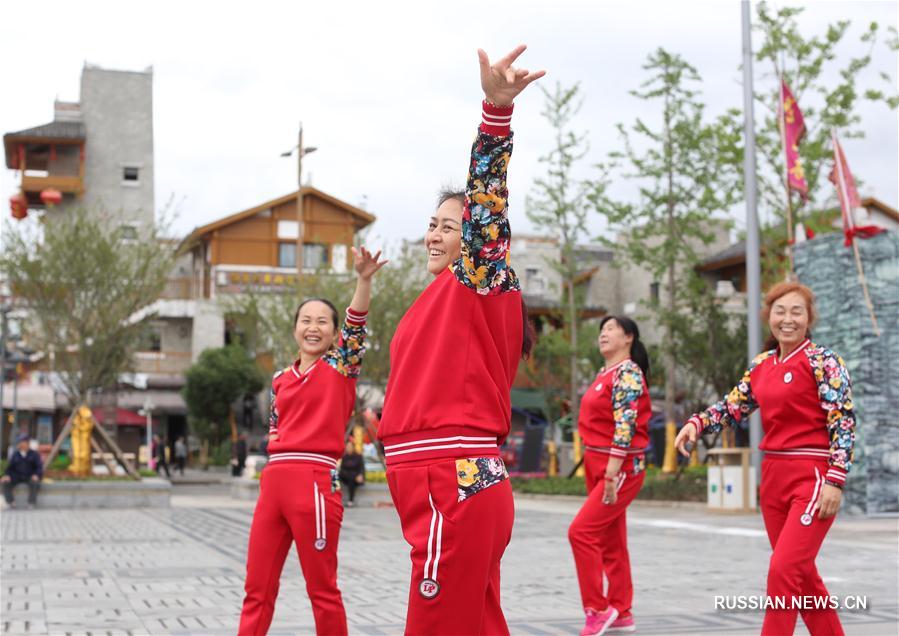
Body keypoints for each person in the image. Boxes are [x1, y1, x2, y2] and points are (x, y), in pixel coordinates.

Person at [377, 45, 543, 636]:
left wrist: (495, 115)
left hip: (456, 482)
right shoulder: (430, 302)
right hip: (440, 486)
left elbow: (487, 203)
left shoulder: (479, 277)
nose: (435, 235)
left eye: (450, 226)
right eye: (432, 224)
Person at [676, 281, 855, 636]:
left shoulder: (825, 362)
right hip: (773, 480)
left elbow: (843, 422)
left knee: (783, 571)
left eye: (796, 311)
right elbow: (731, 407)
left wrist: (835, 480)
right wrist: (696, 422)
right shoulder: (761, 365)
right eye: (779, 311)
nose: (787, 319)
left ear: (809, 318)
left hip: (813, 479)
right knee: (802, 578)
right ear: (768, 316)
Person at [238, 246, 386, 636]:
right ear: (295, 328)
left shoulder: (340, 367)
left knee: (321, 590)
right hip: (273, 485)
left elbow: (356, 323)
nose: (313, 327)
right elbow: (275, 428)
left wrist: (363, 279)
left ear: (334, 334)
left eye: (323, 321)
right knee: (257, 588)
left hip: (315, 484)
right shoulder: (280, 379)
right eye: (306, 320)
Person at [568, 316, 651, 635]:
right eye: (601, 330)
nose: (603, 334)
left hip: (619, 466)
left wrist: (613, 472)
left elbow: (626, 425)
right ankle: (623, 611)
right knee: (610, 539)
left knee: (581, 533)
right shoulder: (607, 373)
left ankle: (598, 609)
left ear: (628, 337)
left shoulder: (628, 371)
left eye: (611, 329)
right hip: (598, 462)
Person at [2, 434, 43, 509]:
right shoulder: (15, 454)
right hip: (16, 476)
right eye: (21, 442)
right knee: (5, 482)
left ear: (28, 444)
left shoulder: (34, 454)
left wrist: (36, 475)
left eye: (24, 442)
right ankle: (10, 502)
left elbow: (39, 467)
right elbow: (10, 467)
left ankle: (31, 502)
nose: (22, 444)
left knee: (34, 483)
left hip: (30, 475)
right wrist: (7, 475)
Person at [338, 440, 365, 507]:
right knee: (334, 476)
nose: (348, 448)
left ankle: (351, 500)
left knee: (351, 480)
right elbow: (342, 470)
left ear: (353, 447)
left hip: (356, 478)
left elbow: (362, 468)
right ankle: (334, 496)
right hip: (346, 477)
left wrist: (360, 475)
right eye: (347, 446)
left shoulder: (358, 456)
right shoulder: (344, 457)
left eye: (350, 446)